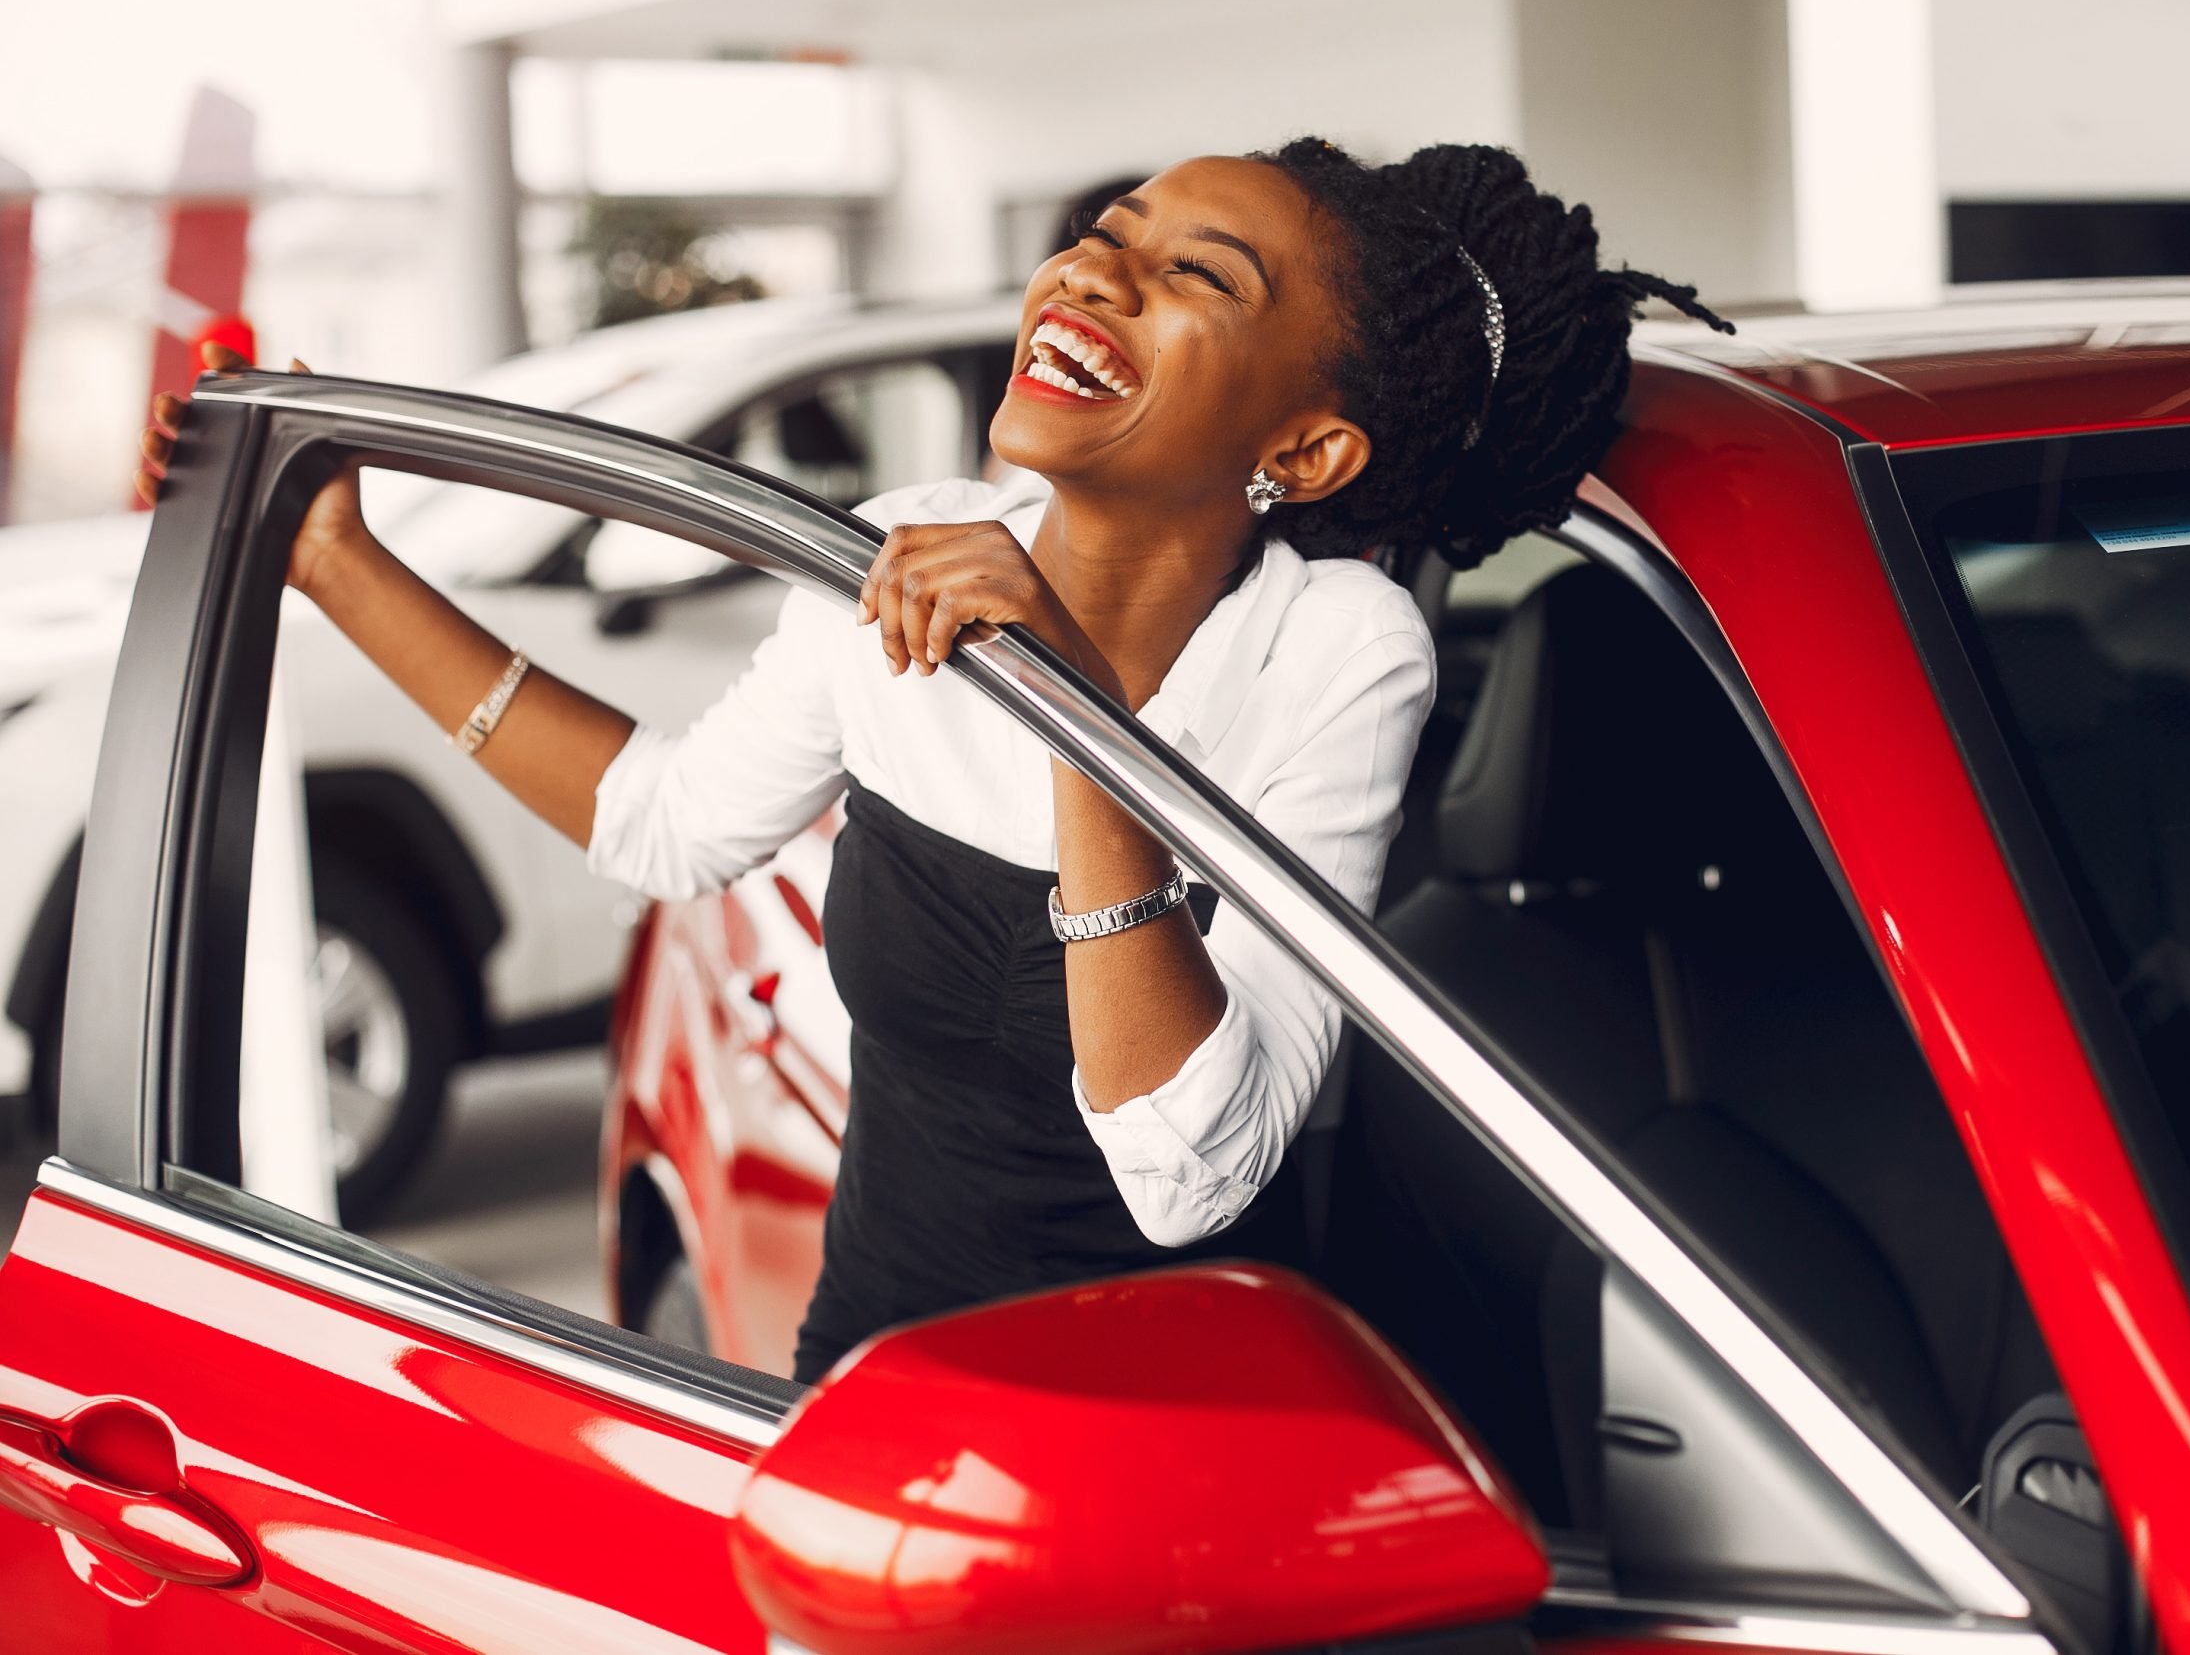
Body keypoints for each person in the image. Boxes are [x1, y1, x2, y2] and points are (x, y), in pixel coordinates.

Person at [138, 140, 1732, 1383]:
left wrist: (1065, 703)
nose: (1093, 279)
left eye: (1199, 277)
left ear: (1302, 452)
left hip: (1185, 1445)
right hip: (875, 1394)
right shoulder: (900, 550)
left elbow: (1194, 1174)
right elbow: (666, 825)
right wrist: (335, 561)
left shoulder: (1337, 652)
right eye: (1105, 235)